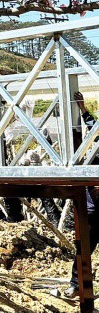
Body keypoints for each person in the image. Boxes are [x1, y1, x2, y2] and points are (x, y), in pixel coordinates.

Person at [53, 91, 99, 298]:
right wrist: (83, 109)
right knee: (84, 249)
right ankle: (76, 284)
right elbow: (94, 126)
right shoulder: (95, 152)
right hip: (91, 209)